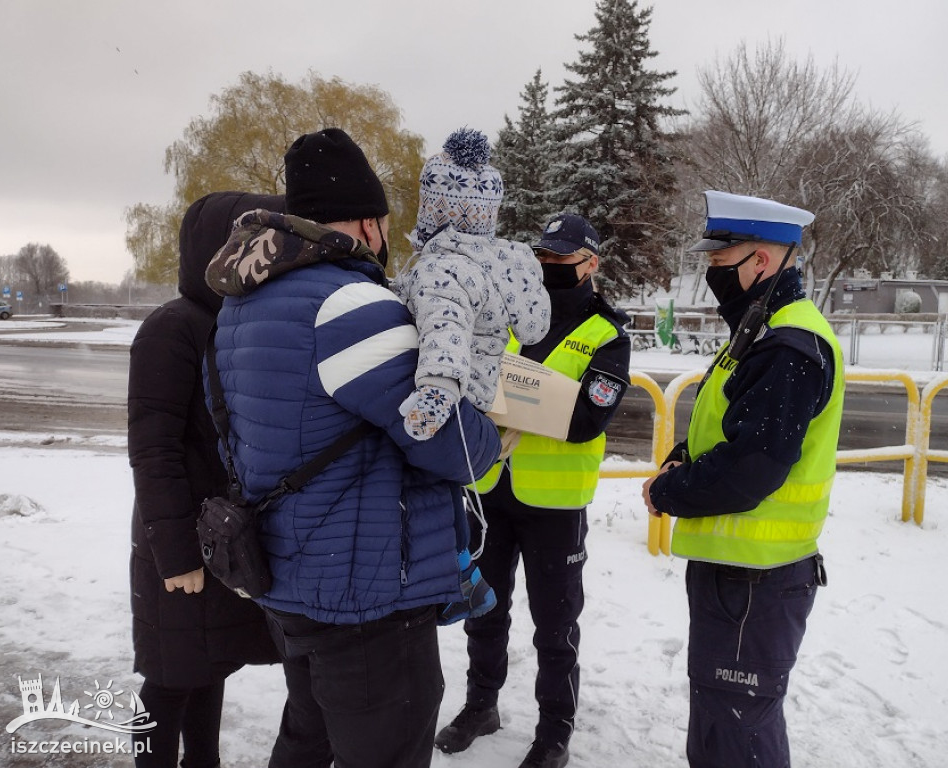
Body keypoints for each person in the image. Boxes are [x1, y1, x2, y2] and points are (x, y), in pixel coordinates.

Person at [203, 128, 501, 768]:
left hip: (290, 577)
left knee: (308, 737)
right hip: (367, 598)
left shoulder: (242, 308)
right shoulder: (351, 306)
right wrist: (485, 416)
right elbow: (459, 450)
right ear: (368, 223)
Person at [641, 190, 846, 767]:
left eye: (719, 263)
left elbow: (754, 465)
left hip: (757, 579)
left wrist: (669, 491)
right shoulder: (760, 329)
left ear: (760, 261)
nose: (711, 274)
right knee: (720, 718)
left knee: (738, 729)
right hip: (738, 574)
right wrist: (684, 456)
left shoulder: (790, 344)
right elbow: (729, 424)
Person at [435, 213, 631, 768]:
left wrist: (505, 395)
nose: (547, 268)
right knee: (484, 611)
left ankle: (554, 732)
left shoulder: (607, 335)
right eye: (542, 258)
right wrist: (526, 396)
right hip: (492, 489)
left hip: (556, 506)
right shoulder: (512, 319)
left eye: (561, 260)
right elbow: (473, 385)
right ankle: (481, 705)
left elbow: (585, 420)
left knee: (555, 625)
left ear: (591, 264)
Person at [127, 191, 283, 768]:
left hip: (224, 539)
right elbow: (154, 450)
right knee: (169, 682)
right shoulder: (172, 328)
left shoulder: (234, 321)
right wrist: (175, 554)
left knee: (207, 667)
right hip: (182, 545)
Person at [393, 126, 551, 624]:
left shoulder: (441, 271)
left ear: (433, 211)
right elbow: (534, 325)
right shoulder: (502, 264)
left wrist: (435, 395)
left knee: (426, 488)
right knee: (449, 487)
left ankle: (457, 578)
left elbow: (445, 333)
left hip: (448, 398)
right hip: (478, 401)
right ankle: (463, 573)